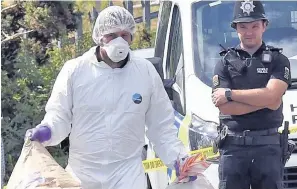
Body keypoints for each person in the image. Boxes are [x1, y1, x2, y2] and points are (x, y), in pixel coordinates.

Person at [25, 6, 195, 189]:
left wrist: (178, 159)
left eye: (124, 35)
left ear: (132, 37)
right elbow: (59, 116)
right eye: (112, 35)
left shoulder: (145, 73)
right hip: (82, 175)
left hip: (128, 174)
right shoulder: (75, 71)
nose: (119, 41)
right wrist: (47, 131)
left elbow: (161, 127)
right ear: (100, 36)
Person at [211, 1, 291, 189]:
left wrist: (230, 93)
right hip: (233, 148)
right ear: (235, 28)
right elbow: (224, 106)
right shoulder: (224, 63)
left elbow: (272, 97)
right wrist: (266, 99)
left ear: (264, 26)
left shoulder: (279, 60)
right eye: (243, 26)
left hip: (268, 148)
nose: (249, 32)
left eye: (255, 26)